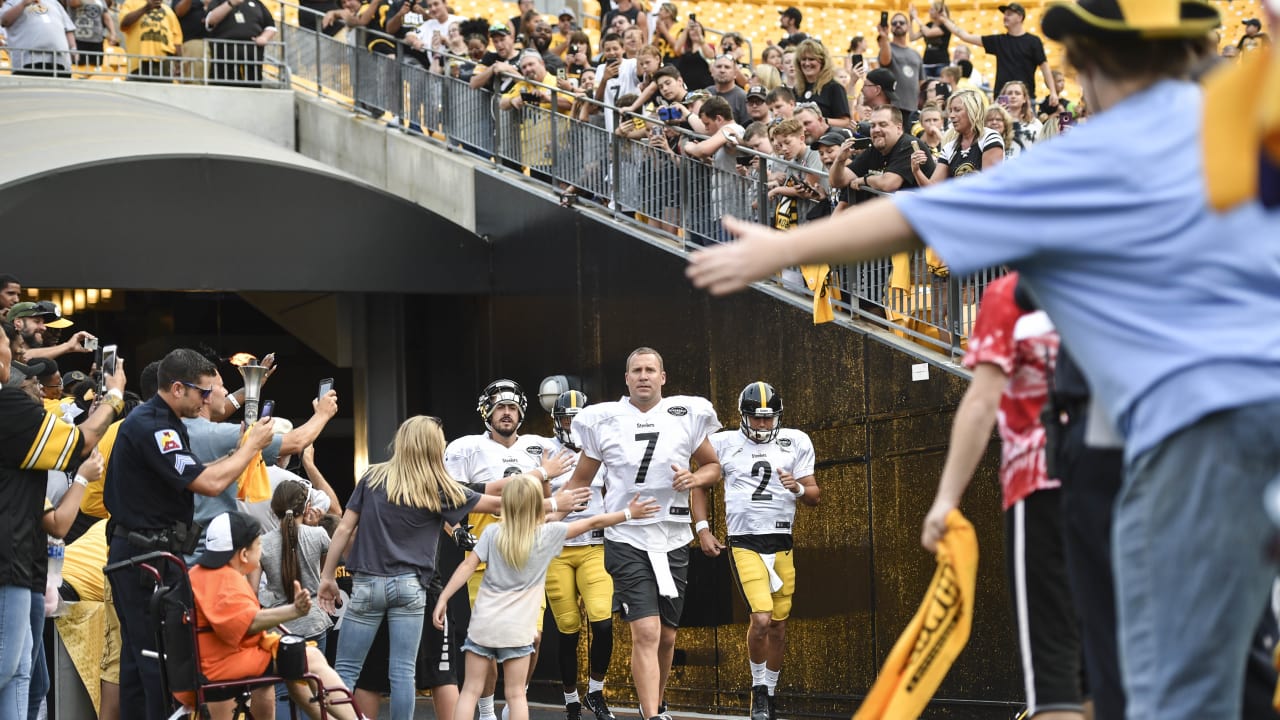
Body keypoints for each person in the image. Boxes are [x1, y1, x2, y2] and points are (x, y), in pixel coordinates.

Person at [686, 0, 1280, 716]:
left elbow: (915, 217)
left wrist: (782, 248)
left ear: (1086, 65)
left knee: (1166, 687)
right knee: (1240, 665)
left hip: (1192, 439)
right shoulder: (1246, 125)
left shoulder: (1094, 157)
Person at [318, 416, 583, 720]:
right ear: (434, 446)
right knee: (402, 673)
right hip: (411, 586)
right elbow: (497, 503)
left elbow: (342, 530)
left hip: (366, 583)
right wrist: (553, 504)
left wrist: (327, 576)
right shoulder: (439, 486)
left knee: (346, 670)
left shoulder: (372, 478)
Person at [920, 273, 1083, 720]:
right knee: (1107, 670)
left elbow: (981, 401)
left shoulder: (1012, 292)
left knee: (1055, 681)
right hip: (1126, 485)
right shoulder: (1122, 276)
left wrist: (946, 499)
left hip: (1043, 483)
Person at [104, 348, 276, 720]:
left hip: (150, 551)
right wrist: (250, 447)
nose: (209, 400)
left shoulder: (164, 421)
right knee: (160, 663)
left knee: (140, 661)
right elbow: (209, 483)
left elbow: (201, 472)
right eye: (204, 392)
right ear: (178, 388)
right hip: (144, 556)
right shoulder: (154, 425)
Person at [565, 347, 722, 720]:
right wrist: (547, 511)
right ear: (626, 378)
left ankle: (656, 702)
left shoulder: (686, 413)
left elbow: (713, 467)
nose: (643, 376)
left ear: (663, 377)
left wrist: (695, 477)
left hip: (673, 536)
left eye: (650, 369)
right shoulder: (604, 419)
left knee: (667, 636)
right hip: (627, 536)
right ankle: (652, 715)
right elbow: (580, 482)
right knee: (647, 632)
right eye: (636, 370)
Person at [435, 475, 659, 720]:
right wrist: (629, 513)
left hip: (485, 623)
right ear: (536, 505)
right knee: (517, 694)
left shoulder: (491, 532)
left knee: (469, 691)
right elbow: (592, 522)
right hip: (519, 628)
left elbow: (468, 566)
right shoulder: (547, 534)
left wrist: (444, 597)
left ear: (504, 505)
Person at [443, 380, 571, 720]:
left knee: (534, 638)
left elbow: (549, 498)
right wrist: (456, 531)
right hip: (488, 557)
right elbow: (449, 501)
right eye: (500, 407)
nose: (506, 413)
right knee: (488, 646)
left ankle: (517, 698)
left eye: (512, 407)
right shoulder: (467, 448)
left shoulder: (538, 445)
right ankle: (486, 709)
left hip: (528, 558)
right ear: (487, 411)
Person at [701, 383, 819, 720]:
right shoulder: (723, 443)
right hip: (745, 541)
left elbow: (814, 494)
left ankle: (771, 689)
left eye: (769, 419)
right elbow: (700, 483)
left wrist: (796, 487)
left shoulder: (795, 441)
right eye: (757, 418)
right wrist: (703, 529)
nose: (764, 425)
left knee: (779, 626)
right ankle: (758, 689)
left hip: (781, 541)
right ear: (743, 416)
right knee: (761, 618)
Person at [185, 511, 358, 719]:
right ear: (244, 554)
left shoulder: (201, 573)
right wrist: (293, 611)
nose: (262, 550)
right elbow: (246, 623)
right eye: (259, 545)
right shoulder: (224, 581)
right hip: (221, 666)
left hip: (213, 660)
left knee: (294, 658)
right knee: (309, 656)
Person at [545, 390, 618, 720]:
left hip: (594, 546)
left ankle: (595, 692)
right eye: (566, 419)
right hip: (557, 550)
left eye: (578, 420)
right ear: (557, 421)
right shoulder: (545, 452)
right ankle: (571, 698)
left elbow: (611, 493)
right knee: (569, 627)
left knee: (602, 623)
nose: (572, 426)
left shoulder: (600, 449)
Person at [253, 480, 333, 718]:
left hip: (279, 628)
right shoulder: (318, 535)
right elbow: (323, 575)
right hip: (314, 622)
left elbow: (252, 590)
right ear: (307, 506)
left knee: (281, 693)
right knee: (314, 691)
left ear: (273, 508)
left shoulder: (262, 544)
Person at [940, 2, 1057, 110]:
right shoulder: (999, 41)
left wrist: (1053, 92)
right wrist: (945, 20)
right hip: (1002, 96)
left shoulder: (1033, 41)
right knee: (1000, 129)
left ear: (1020, 17)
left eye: (1009, 14)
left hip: (1025, 97)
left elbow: (1045, 67)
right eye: (1005, 14)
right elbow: (965, 36)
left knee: (1027, 130)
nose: (1005, 17)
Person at [913, 88, 1002, 184]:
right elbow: (932, 189)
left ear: (973, 111)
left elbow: (990, 184)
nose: (951, 115)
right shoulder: (949, 147)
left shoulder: (989, 138)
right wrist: (916, 171)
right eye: (950, 111)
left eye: (957, 110)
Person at [203, 0, 275, 86]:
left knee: (252, 89)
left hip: (252, 56)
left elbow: (271, 26)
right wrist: (230, 4)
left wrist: (264, 37)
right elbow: (210, 20)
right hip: (224, 56)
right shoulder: (218, 2)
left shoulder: (257, 3)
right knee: (225, 87)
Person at [0, 0, 76, 75]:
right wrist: (23, 4)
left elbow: (68, 28)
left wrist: (73, 48)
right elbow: (4, 21)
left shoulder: (55, 3)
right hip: (29, 61)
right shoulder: (11, 2)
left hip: (60, 61)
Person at [792, 39, 851, 128]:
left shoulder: (834, 88)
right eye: (803, 59)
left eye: (812, 59)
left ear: (822, 62)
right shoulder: (796, 90)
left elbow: (845, 122)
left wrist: (821, 120)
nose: (807, 63)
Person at [118, 0, 181, 80]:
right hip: (138, 63)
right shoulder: (131, 3)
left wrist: (179, 64)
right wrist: (146, 8)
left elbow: (176, 40)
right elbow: (124, 24)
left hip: (163, 63)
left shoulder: (169, 11)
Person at [876, 11, 923, 118]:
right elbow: (885, 61)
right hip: (893, 107)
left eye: (901, 23)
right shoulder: (887, 48)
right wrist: (884, 37)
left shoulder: (916, 54)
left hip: (913, 108)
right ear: (890, 27)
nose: (898, 25)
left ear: (908, 26)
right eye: (894, 23)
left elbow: (921, 82)